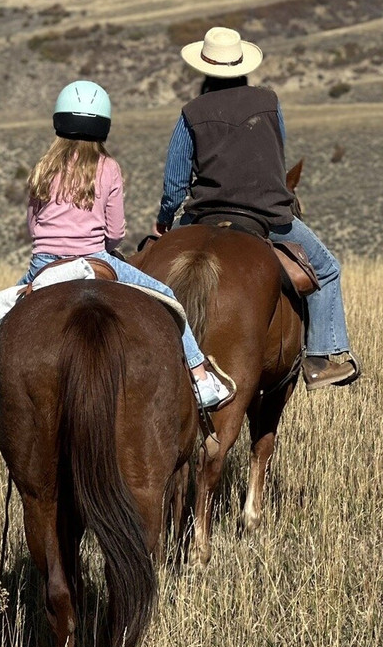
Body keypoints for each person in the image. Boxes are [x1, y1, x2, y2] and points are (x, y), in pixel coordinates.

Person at [0, 80, 233, 435]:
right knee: (168, 298)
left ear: (59, 120)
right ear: (103, 125)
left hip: (43, 264)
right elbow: (115, 232)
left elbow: (34, 226)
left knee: (5, 325)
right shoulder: (108, 167)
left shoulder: (42, 168)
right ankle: (200, 379)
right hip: (96, 259)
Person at [153, 27, 360, 391]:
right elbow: (275, 155)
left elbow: (175, 183)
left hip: (203, 213)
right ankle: (320, 360)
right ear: (242, 65)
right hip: (268, 215)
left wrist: (164, 221)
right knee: (327, 270)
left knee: (147, 272)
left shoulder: (191, 112)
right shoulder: (268, 102)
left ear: (205, 68)